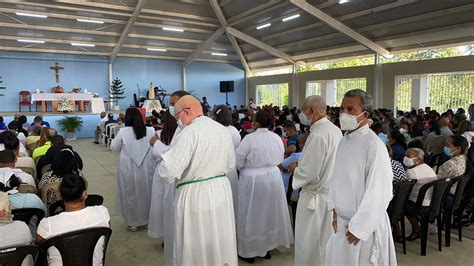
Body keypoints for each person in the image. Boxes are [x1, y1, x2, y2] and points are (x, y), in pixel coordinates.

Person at [158, 95, 237, 266]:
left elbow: (168, 171)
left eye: (177, 115)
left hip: (195, 196)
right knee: (219, 239)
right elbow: (231, 164)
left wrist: (163, 158)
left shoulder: (189, 132)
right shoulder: (222, 129)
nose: (177, 120)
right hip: (221, 190)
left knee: (195, 244)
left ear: (187, 111)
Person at [326, 89, 396, 265]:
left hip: (363, 227)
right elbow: (336, 178)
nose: (344, 114)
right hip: (342, 221)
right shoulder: (344, 140)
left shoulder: (374, 145)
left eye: (351, 109)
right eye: (342, 109)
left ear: (365, 114)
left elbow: (380, 191)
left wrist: (360, 228)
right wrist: (334, 210)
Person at [286, 96, 342, 266]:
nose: (302, 114)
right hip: (329, 194)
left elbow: (309, 171)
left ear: (312, 111)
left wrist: (295, 169)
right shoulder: (334, 130)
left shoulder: (318, 134)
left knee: (311, 245)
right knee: (325, 243)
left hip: (315, 198)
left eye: (304, 110)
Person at [235, 109, 293, 263]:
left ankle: (249, 251)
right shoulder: (276, 137)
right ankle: (266, 248)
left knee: (251, 215)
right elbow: (280, 157)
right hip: (273, 177)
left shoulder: (249, 138)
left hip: (254, 179)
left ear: (255, 122)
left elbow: (238, 160)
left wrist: (246, 168)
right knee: (268, 213)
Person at [149, 90, 189, 265]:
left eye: (174, 104)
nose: (172, 108)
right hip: (172, 176)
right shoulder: (180, 127)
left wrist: (156, 144)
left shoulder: (188, 129)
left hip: (181, 178)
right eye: (171, 104)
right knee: (170, 210)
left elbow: (174, 155)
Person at [36, 174, 110, 266]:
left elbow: (40, 244)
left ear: (61, 196)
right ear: (85, 194)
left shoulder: (47, 225)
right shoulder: (102, 212)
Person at [111, 108, 156, 232]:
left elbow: (114, 147)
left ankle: (132, 223)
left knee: (130, 193)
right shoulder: (150, 130)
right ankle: (147, 221)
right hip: (147, 166)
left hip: (128, 167)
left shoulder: (123, 132)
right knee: (147, 192)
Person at [147, 111, 177, 240]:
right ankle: (174, 233)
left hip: (162, 171)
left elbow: (153, 156)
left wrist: (156, 145)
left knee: (161, 203)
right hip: (176, 173)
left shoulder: (158, 135)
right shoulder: (181, 134)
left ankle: (164, 233)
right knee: (173, 203)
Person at [213, 105, 241, 216]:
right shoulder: (234, 130)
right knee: (231, 197)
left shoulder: (215, 130)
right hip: (231, 169)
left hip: (217, 168)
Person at [403, 148, 437, 241]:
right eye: (405, 155)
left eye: (409, 156)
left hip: (421, 205)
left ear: (418, 160)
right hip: (432, 202)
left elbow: (405, 191)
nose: (405, 158)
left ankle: (416, 229)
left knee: (401, 206)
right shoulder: (427, 166)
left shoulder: (411, 172)